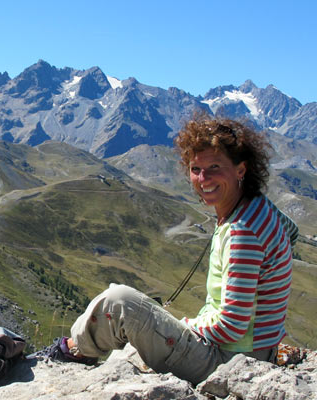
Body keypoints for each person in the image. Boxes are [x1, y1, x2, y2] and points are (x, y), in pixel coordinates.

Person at [52, 116, 299, 385]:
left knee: (119, 301)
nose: (203, 179)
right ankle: (77, 347)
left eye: (214, 167)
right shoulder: (259, 207)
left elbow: (232, 326)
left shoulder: (242, 232)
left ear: (241, 170)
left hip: (229, 360)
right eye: (196, 169)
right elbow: (292, 231)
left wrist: (186, 326)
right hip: (255, 350)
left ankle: (72, 351)